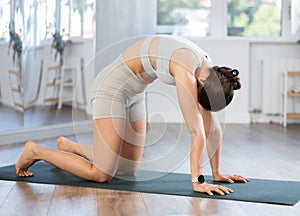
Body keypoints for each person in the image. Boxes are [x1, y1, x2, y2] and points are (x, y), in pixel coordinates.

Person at [16, 35, 249, 196]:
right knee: (101, 173)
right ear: (200, 83)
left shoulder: (209, 71)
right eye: (200, 98)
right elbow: (197, 130)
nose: (199, 103)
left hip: (136, 92)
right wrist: (198, 181)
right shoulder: (186, 72)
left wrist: (217, 173)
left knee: (127, 168)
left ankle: (69, 146)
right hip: (111, 89)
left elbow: (213, 127)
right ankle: (36, 151)